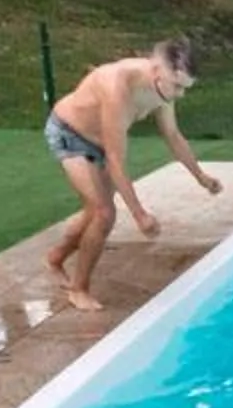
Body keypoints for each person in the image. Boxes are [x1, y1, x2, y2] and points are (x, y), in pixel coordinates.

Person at [43, 36, 222, 310]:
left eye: (184, 88)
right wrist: (139, 214)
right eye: (177, 86)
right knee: (104, 213)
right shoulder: (117, 85)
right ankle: (78, 289)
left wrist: (201, 177)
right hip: (70, 134)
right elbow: (115, 159)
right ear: (156, 71)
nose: (180, 94)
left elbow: (173, 136)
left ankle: (55, 259)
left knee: (94, 212)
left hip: (100, 142)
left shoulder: (163, 89)